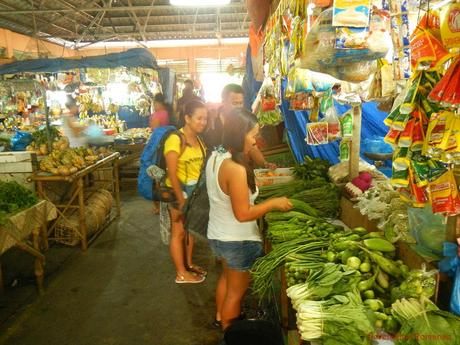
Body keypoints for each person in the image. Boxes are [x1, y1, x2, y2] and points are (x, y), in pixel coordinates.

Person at [206, 108, 292, 330]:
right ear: (238, 134)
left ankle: (220, 318)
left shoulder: (216, 155)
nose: (255, 141)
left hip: (218, 235)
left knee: (226, 280)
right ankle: (230, 334)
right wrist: (273, 203)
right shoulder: (234, 169)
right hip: (237, 241)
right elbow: (243, 214)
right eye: (252, 135)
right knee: (236, 294)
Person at [163, 100, 208, 284]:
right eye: (199, 118)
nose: (203, 122)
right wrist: (181, 199)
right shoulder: (176, 139)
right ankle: (181, 273)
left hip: (193, 196)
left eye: (206, 118)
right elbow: (171, 172)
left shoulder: (198, 138)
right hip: (177, 195)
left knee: (190, 231)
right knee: (178, 233)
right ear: (187, 118)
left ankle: (188, 264)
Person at [203, 84, 276, 169]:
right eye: (234, 103)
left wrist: (264, 163)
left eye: (240, 103)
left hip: (239, 168)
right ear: (223, 102)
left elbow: (252, 147)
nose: (238, 107)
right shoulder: (211, 124)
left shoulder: (244, 120)